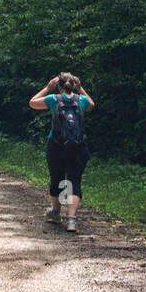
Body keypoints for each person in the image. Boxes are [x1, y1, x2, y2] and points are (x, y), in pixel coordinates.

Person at [29, 72, 94, 232]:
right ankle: (71, 221)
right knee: (74, 181)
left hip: (56, 146)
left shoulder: (53, 100)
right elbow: (92, 104)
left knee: (56, 178)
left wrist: (47, 88)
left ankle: (56, 213)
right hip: (78, 147)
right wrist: (81, 89)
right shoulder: (82, 101)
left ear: (58, 86)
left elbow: (32, 103)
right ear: (74, 85)